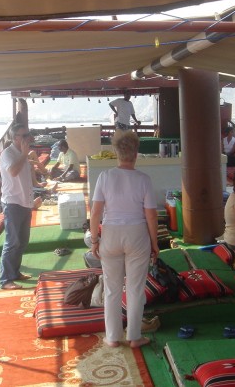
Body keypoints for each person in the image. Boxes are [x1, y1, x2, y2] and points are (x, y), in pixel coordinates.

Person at [89, 131, 159, 349]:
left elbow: (96, 212)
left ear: (116, 153)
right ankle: (134, 336)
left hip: (110, 234)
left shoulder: (105, 177)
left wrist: (94, 240)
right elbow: (151, 215)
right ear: (136, 153)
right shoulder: (144, 179)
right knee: (136, 288)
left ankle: (112, 337)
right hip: (137, 235)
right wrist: (155, 244)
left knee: (112, 289)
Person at [0, 123, 35, 290]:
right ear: (14, 138)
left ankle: (15, 273)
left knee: (22, 241)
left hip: (24, 202)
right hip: (12, 203)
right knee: (12, 242)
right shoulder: (8, 153)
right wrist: (24, 155)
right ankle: (5, 280)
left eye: (28, 134)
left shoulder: (22, 154)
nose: (27, 137)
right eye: (23, 135)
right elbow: (13, 171)